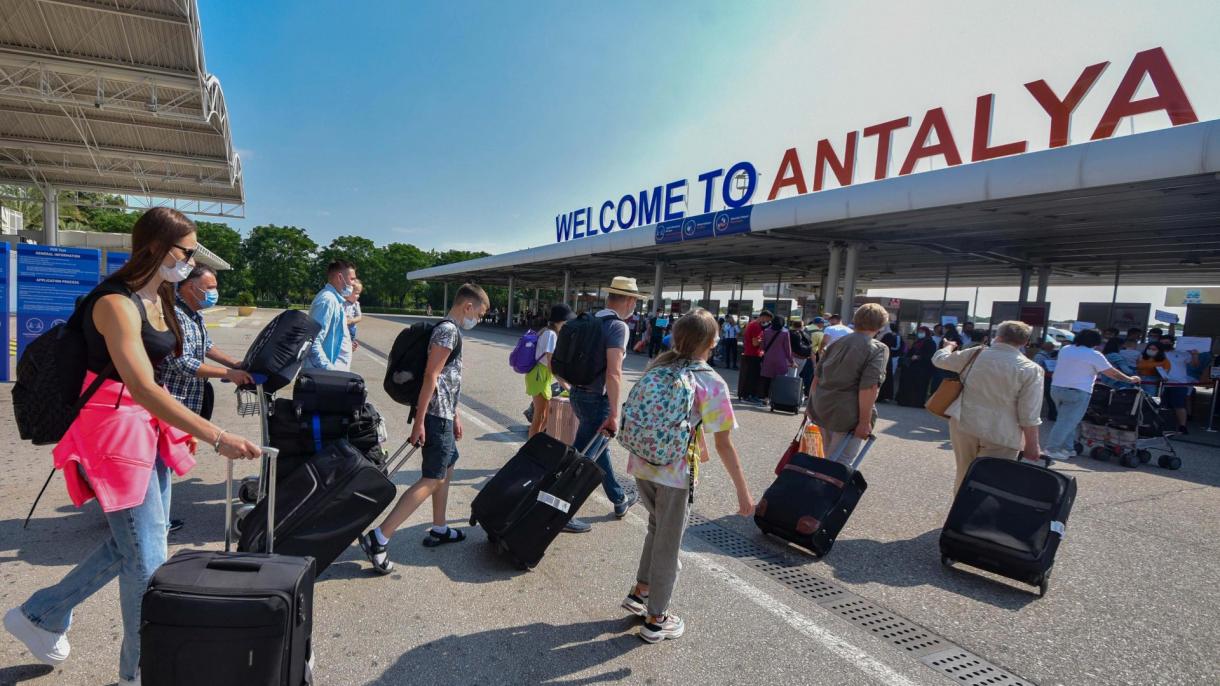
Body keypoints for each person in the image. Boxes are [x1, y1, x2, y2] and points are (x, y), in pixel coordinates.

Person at [3, 208, 261, 686]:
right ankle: (140, 671)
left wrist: (229, 372)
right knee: (146, 560)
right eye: (186, 252)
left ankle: (42, 614)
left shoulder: (158, 296)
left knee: (140, 544)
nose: (191, 263)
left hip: (146, 429)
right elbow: (142, 385)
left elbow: (172, 364)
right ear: (157, 247)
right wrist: (218, 437)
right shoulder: (115, 303)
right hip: (113, 433)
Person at [620, 308, 753, 644]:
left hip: (642, 463)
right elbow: (725, 443)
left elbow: (685, 420)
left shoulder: (658, 367)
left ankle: (641, 591)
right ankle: (656, 619)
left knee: (656, 527)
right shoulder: (711, 381)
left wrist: (700, 446)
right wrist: (743, 491)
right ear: (712, 341)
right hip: (675, 474)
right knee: (669, 544)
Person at [359, 284, 490, 573]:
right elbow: (431, 376)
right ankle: (379, 538)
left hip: (443, 415)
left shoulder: (449, 330)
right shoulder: (448, 331)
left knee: (448, 466)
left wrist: (455, 414)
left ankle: (440, 527)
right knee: (432, 478)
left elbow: (447, 381)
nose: (478, 320)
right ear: (467, 306)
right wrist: (419, 422)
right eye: (479, 314)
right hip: (435, 417)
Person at [158, 265, 255, 533]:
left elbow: (206, 346)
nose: (214, 292)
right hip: (170, 399)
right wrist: (228, 374)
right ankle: (152, 521)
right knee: (160, 462)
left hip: (186, 398)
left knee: (166, 461)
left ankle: (153, 518)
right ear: (191, 287)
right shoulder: (174, 315)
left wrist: (235, 363)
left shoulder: (193, 314)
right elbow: (182, 362)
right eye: (210, 287)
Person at [562, 276, 643, 533]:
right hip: (598, 400)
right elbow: (614, 372)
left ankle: (619, 499)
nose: (635, 306)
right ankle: (561, 510)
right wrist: (615, 414)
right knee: (582, 459)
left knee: (598, 449)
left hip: (578, 393)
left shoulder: (590, 320)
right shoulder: (618, 327)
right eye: (635, 301)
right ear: (629, 300)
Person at [933, 321, 1045, 491]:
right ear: (1025, 342)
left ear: (997, 336)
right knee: (992, 481)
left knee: (964, 473)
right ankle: (979, 507)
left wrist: (948, 347)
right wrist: (1032, 444)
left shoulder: (975, 354)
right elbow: (1029, 412)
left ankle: (960, 505)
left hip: (964, 421)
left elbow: (939, 360)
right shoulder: (1031, 369)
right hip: (1002, 430)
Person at [807, 304, 891, 464]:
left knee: (827, 455)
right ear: (880, 325)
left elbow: (817, 377)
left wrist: (811, 406)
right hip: (848, 413)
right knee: (840, 463)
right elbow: (869, 387)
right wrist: (864, 422)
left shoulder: (836, 343)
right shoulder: (878, 348)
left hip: (823, 406)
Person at [1043, 329, 1141, 460]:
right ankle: (1051, 449)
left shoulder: (1066, 349)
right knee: (1067, 422)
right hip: (1078, 391)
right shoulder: (1094, 354)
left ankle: (1068, 448)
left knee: (1066, 420)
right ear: (1095, 342)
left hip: (1056, 388)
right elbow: (1112, 373)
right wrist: (1130, 379)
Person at [526, 304, 574, 437]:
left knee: (546, 416)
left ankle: (536, 442)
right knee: (540, 416)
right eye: (567, 321)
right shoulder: (550, 334)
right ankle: (531, 446)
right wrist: (566, 386)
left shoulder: (548, 332)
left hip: (541, 376)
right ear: (560, 320)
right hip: (539, 376)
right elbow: (551, 364)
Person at [305, 259, 357, 371]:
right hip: (325, 376)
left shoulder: (336, 300)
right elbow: (313, 342)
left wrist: (346, 345)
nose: (354, 283)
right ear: (340, 277)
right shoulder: (327, 301)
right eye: (352, 279)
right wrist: (330, 371)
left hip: (333, 374)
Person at [1159, 338, 1200, 433]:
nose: (1164, 344)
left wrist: (1195, 355)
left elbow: (1194, 365)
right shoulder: (1156, 352)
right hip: (1160, 383)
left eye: (1166, 342)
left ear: (1172, 343)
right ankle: (1162, 426)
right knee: (1161, 406)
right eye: (1162, 342)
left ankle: (1182, 426)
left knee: (1179, 405)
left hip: (1179, 383)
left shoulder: (1182, 353)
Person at [737, 311, 773, 404]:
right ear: (764, 317)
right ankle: (750, 395)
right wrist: (763, 341)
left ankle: (748, 395)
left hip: (751, 353)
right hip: (753, 354)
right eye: (768, 319)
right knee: (753, 377)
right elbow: (755, 343)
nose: (767, 322)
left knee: (750, 376)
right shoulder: (756, 326)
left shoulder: (752, 324)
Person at [897, 326, 937, 406]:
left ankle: (917, 402)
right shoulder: (918, 342)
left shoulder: (930, 342)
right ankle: (907, 401)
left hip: (923, 368)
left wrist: (919, 357)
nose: (920, 333)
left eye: (922, 332)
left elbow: (930, 355)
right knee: (910, 385)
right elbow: (911, 352)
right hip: (913, 367)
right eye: (919, 332)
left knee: (920, 386)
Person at [759, 316, 795, 400]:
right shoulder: (785, 332)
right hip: (780, 359)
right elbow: (788, 349)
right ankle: (776, 398)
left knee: (767, 379)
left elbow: (762, 346)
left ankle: (766, 398)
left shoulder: (766, 331)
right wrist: (792, 361)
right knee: (779, 379)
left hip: (768, 358)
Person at [1033, 340, 1059, 420]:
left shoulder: (1047, 355)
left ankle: (1051, 415)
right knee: (1046, 397)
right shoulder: (1040, 356)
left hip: (1046, 378)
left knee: (1046, 397)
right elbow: (1036, 367)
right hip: (1043, 378)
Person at [878, 322, 904, 402]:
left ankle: (885, 396)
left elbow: (892, 346)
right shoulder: (881, 334)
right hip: (883, 357)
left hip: (887, 357)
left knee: (886, 375)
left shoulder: (889, 335)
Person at [344, 278, 364, 351]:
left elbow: (359, 317)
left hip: (350, 328)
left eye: (359, 294)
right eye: (356, 293)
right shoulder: (342, 301)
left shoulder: (355, 304)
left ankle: (351, 348)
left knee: (349, 344)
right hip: (342, 328)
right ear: (349, 292)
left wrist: (351, 321)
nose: (358, 296)